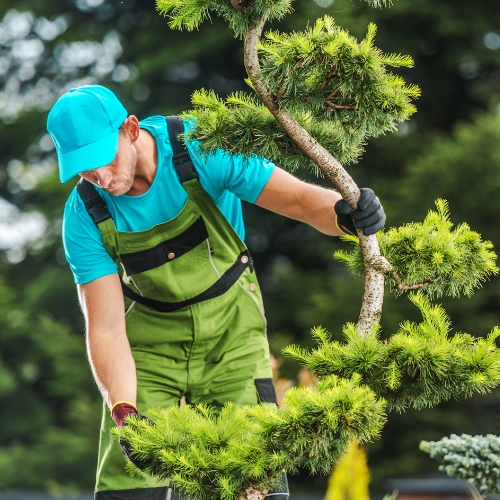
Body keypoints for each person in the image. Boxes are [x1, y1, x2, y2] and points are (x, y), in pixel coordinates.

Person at [47, 84, 385, 500]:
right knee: (130, 488)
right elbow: (106, 328)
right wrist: (124, 411)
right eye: (83, 171)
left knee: (251, 479)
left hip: (232, 336)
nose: (99, 177)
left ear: (131, 129)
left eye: (103, 160)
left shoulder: (199, 147)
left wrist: (345, 214)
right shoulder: (84, 213)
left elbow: (297, 200)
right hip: (149, 352)